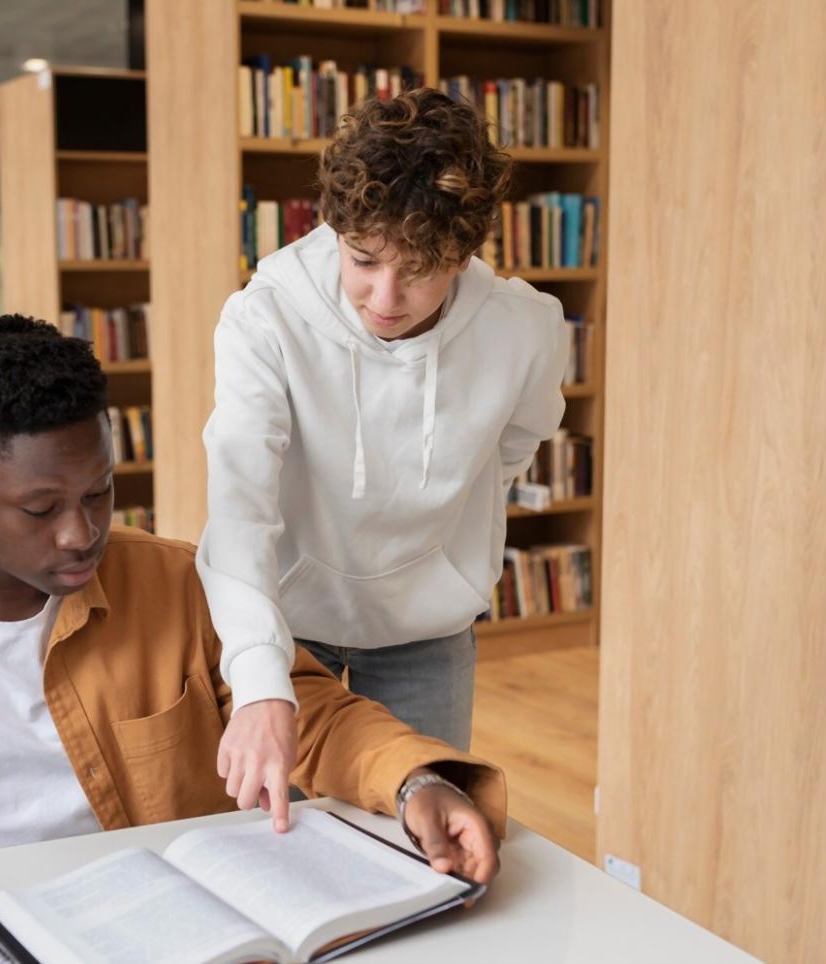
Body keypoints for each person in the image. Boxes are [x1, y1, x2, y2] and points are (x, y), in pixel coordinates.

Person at [0, 315, 505, 931]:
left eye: (98, 494)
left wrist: (415, 780)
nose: (79, 533)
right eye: (40, 508)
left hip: (152, 926)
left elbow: (311, 712)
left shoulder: (181, 581)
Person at [201, 89, 568, 830]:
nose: (385, 296)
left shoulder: (525, 327)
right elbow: (239, 507)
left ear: (463, 254)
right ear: (334, 229)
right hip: (286, 626)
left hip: (426, 629)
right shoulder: (264, 317)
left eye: (420, 268)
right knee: (282, 843)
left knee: (421, 838)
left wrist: (445, 537)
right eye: (362, 259)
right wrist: (258, 679)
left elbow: (514, 445)